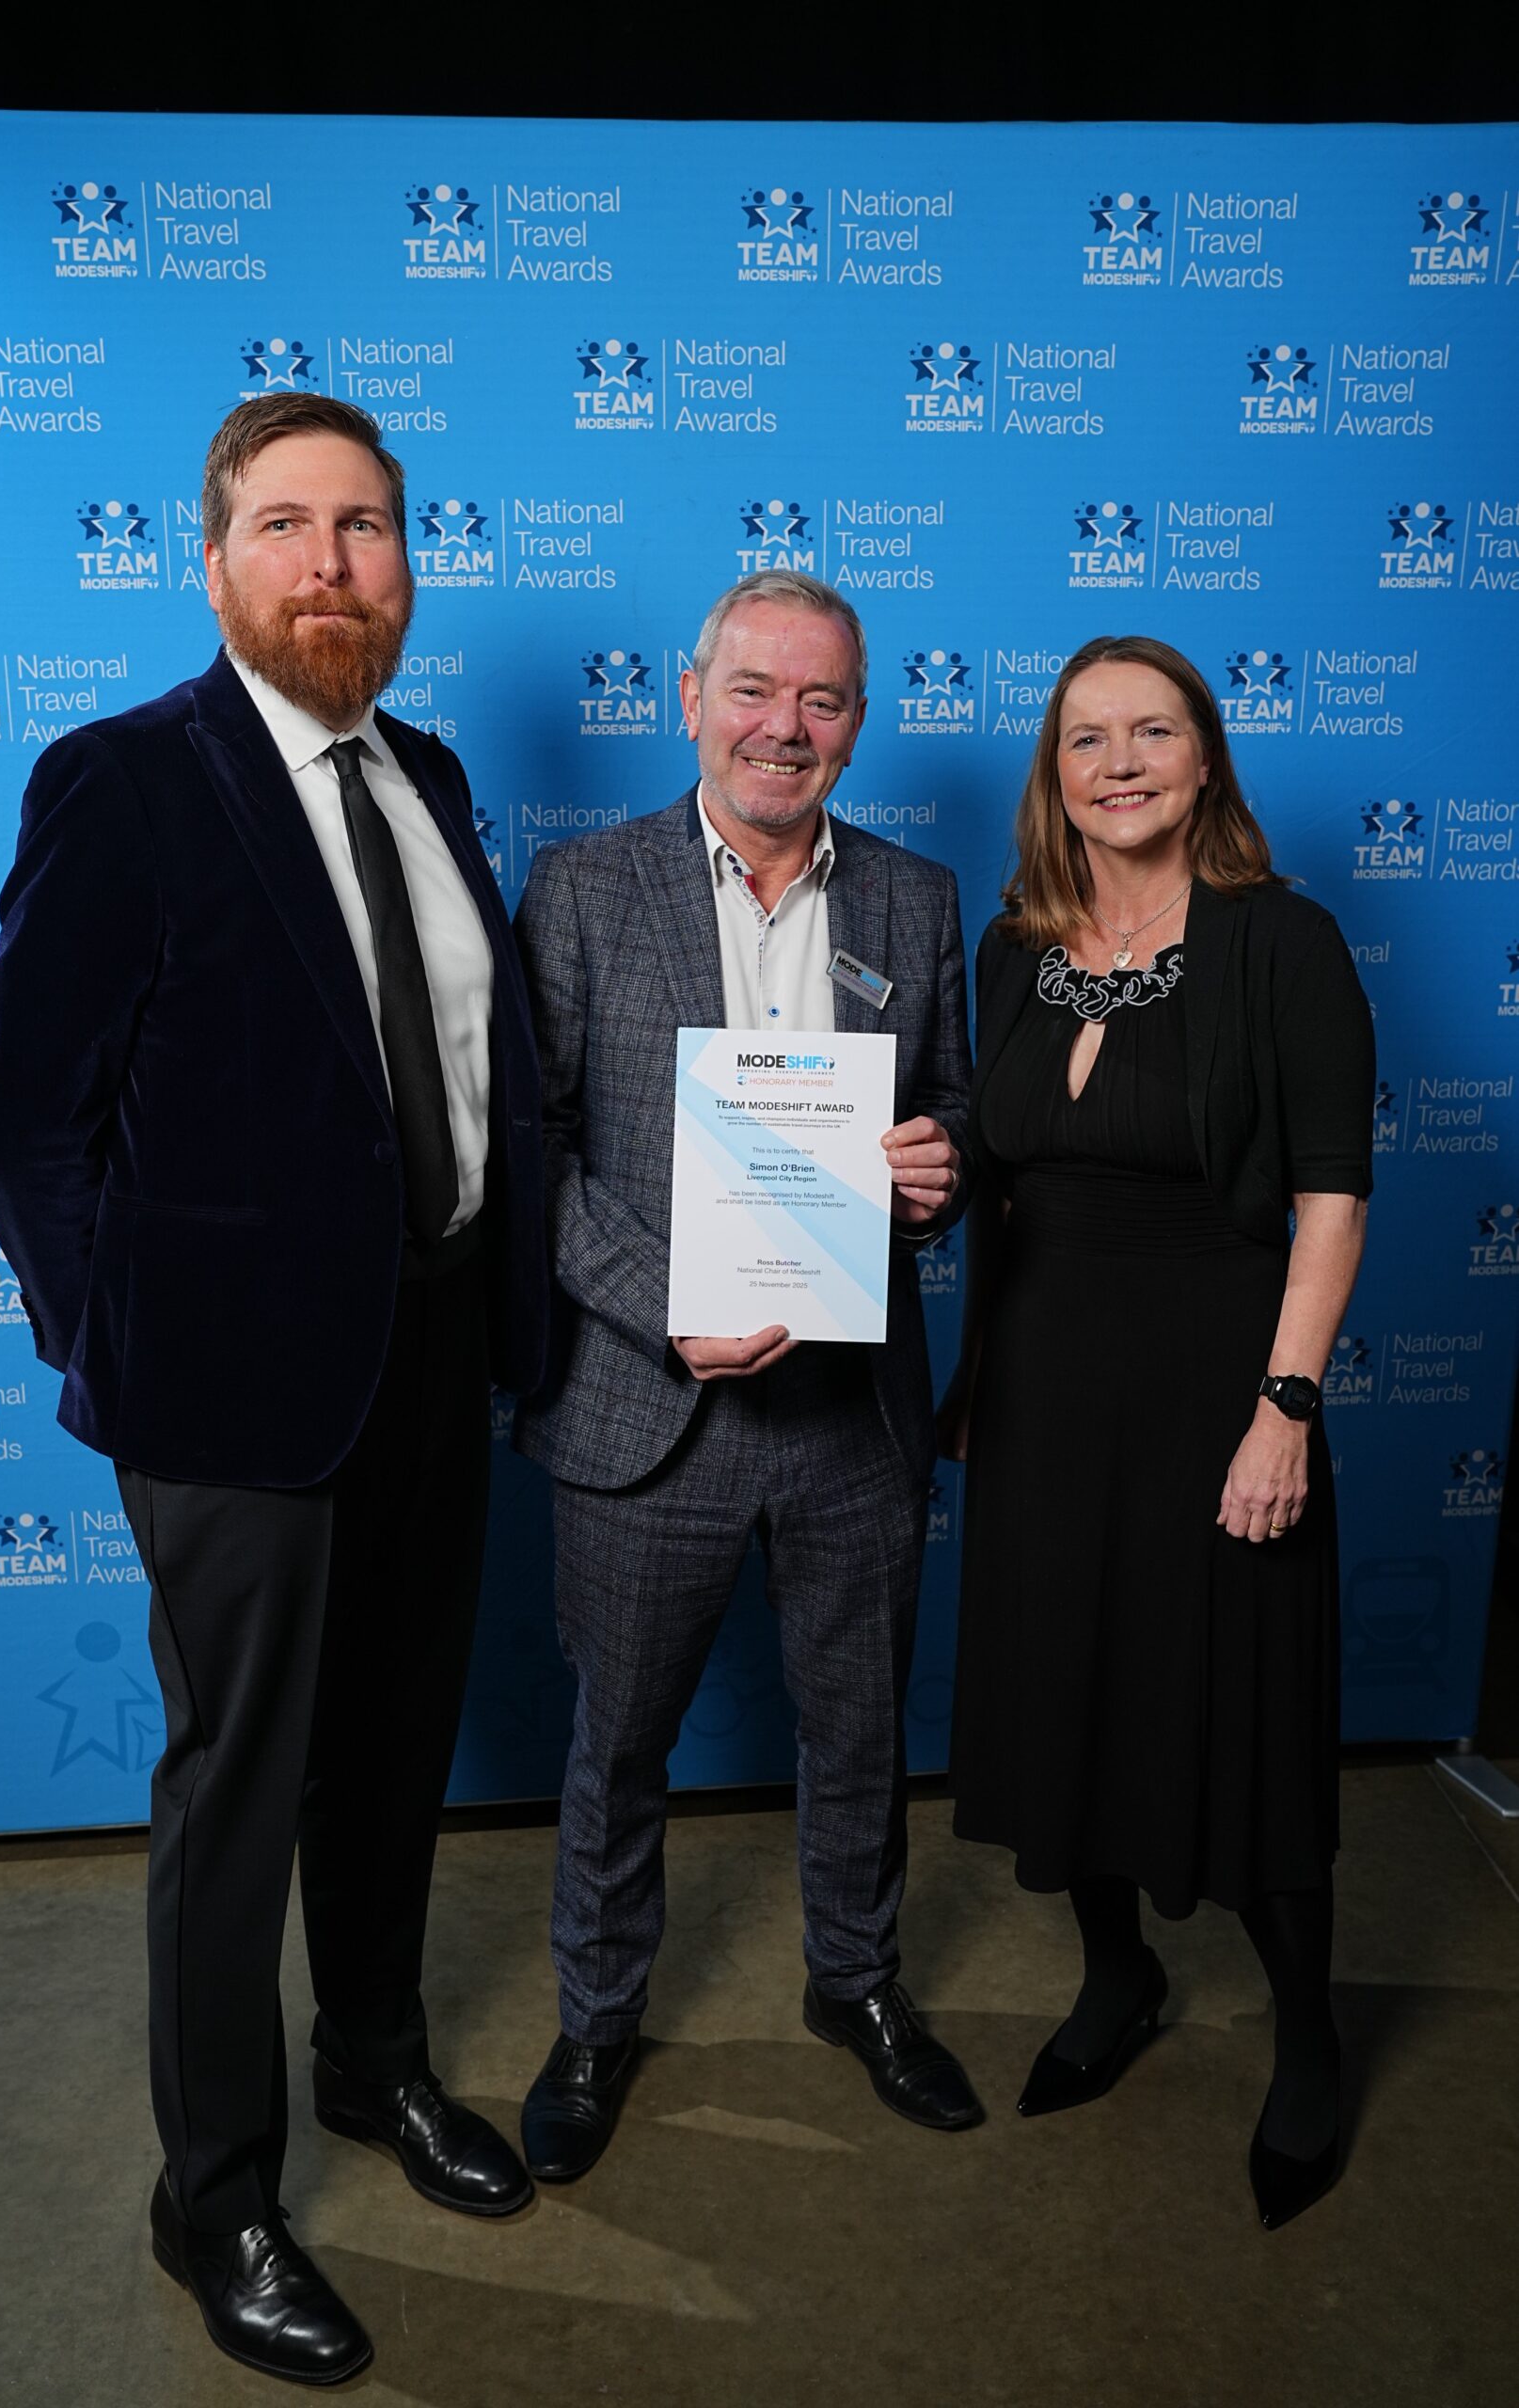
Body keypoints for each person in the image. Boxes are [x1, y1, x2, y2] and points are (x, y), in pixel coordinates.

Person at [0, 393, 547, 2386]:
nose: (329, 565)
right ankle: (212, 2193)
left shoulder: (430, 773)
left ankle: (374, 2062)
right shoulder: (123, 779)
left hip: (434, 1345)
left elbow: (465, 1069)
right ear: (210, 562)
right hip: (227, 1395)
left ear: (407, 565)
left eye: (364, 527)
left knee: (394, 1746)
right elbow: (23, 1118)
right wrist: (120, 1348)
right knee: (240, 1787)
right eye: (286, 526)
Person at [510, 571, 981, 2183]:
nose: (786, 727)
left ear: (859, 723)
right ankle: (596, 2021)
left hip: (851, 1413)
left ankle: (857, 1984)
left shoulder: (916, 899)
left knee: (858, 1731)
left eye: (823, 699)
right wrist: (667, 1310)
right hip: (654, 1410)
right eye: (756, 691)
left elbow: (957, 1115)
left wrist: (939, 1169)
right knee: (618, 1746)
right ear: (691, 699)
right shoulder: (583, 887)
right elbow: (534, 1153)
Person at [941, 633, 1372, 2232]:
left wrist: (1285, 1411)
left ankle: (1309, 2036)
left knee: (1241, 1714)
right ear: (1053, 776)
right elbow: (1000, 1194)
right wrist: (974, 1372)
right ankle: (1117, 1976)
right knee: (1066, 1697)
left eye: (1152, 732)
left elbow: (1333, 1201)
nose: (1118, 763)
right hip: (1045, 1397)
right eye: (1086, 739)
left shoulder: (1284, 944)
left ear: (1206, 759)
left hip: (1219, 1392)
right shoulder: (1011, 951)